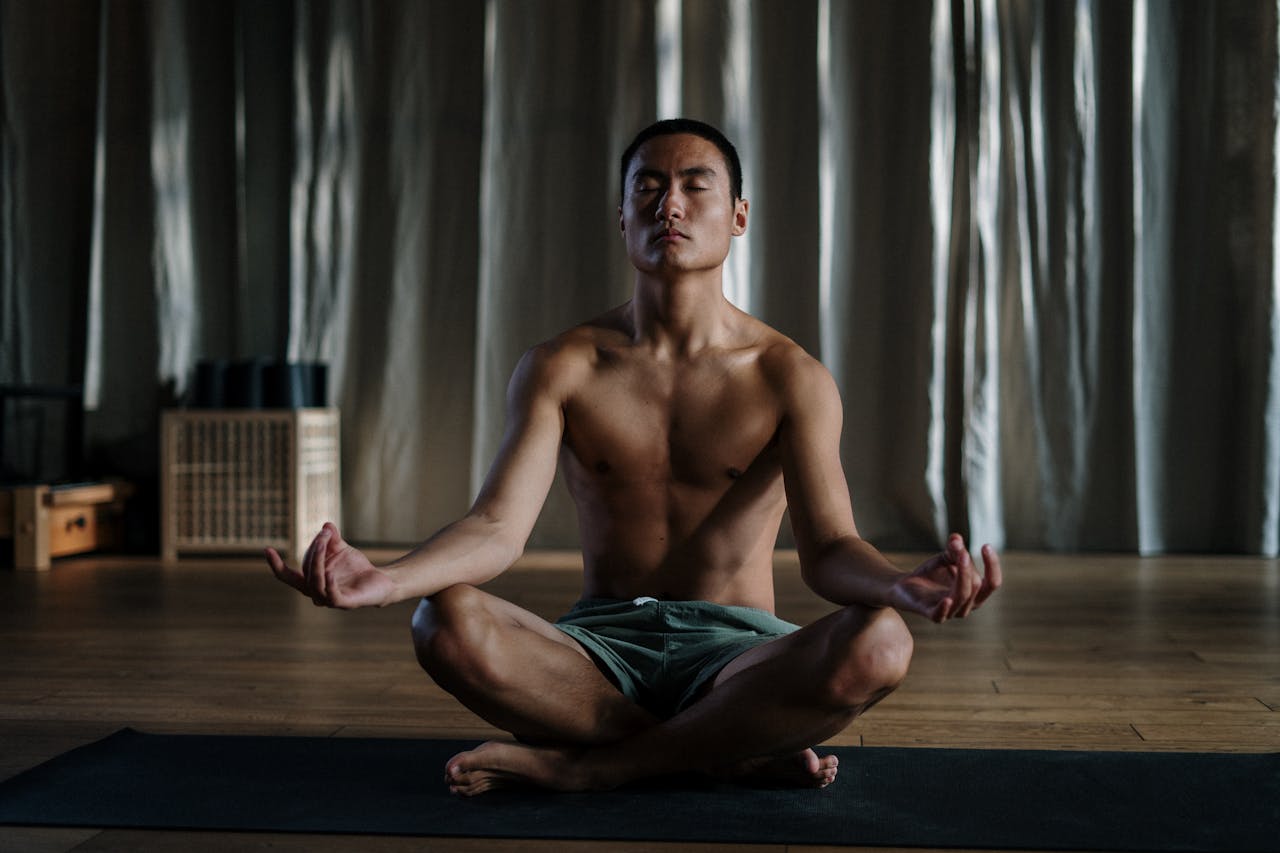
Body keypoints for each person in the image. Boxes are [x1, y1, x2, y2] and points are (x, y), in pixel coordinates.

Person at [266, 117, 1001, 796]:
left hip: (740, 655)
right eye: (647, 187)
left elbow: (831, 549)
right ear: (622, 217)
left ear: (739, 215)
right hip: (598, 650)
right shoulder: (563, 365)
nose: (669, 205)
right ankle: (728, 747)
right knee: (441, 622)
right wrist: (386, 581)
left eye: (694, 185)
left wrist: (901, 586)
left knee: (880, 641)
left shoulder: (790, 376)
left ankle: (590, 770)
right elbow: (497, 527)